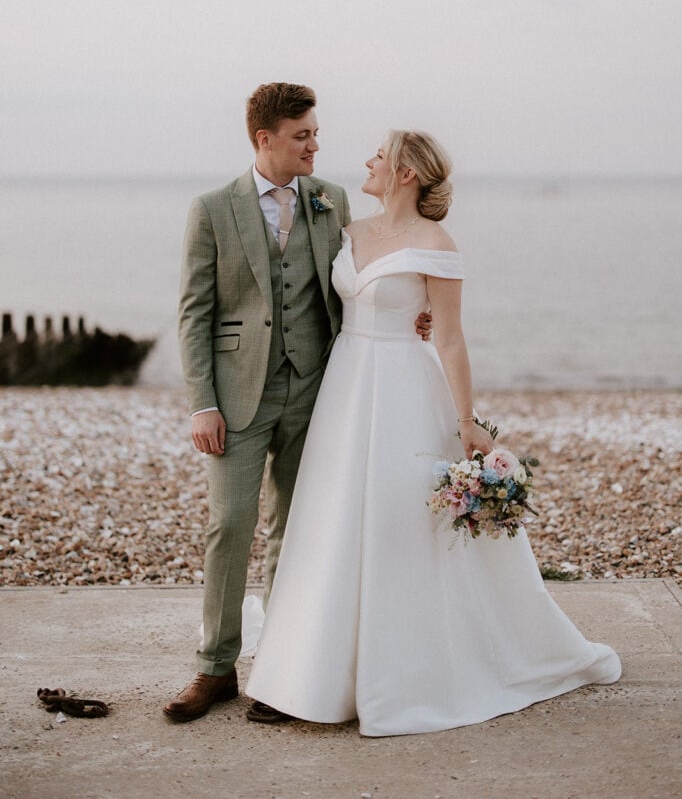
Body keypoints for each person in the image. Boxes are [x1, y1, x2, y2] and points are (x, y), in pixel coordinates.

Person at [246, 130, 621, 737]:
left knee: (399, 528)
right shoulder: (347, 228)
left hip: (403, 390)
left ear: (406, 174)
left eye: (379, 155)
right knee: (333, 520)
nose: (366, 161)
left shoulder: (437, 245)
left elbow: (448, 337)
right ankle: (307, 676)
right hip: (345, 387)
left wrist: (469, 423)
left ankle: (403, 673)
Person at [163, 85, 429, 723]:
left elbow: (372, 264)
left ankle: (283, 671)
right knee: (229, 525)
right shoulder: (212, 209)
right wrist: (203, 403)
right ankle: (215, 667)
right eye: (303, 135)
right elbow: (195, 313)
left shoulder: (330, 199)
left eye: (315, 133)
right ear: (266, 139)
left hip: (318, 389)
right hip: (237, 395)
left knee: (297, 529)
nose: (316, 144)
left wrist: (411, 311)